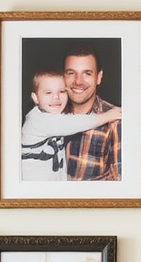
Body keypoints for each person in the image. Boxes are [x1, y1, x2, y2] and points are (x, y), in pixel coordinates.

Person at [20, 70, 122, 180]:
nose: (56, 97)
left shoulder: (51, 114)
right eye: (48, 93)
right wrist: (108, 115)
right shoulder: (37, 120)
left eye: (62, 91)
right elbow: (77, 123)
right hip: (35, 190)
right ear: (35, 98)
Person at [62, 48, 121, 181]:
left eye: (87, 73)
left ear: (98, 77)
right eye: (71, 73)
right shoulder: (48, 115)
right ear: (63, 77)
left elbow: (122, 187)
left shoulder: (116, 120)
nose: (78, 81)